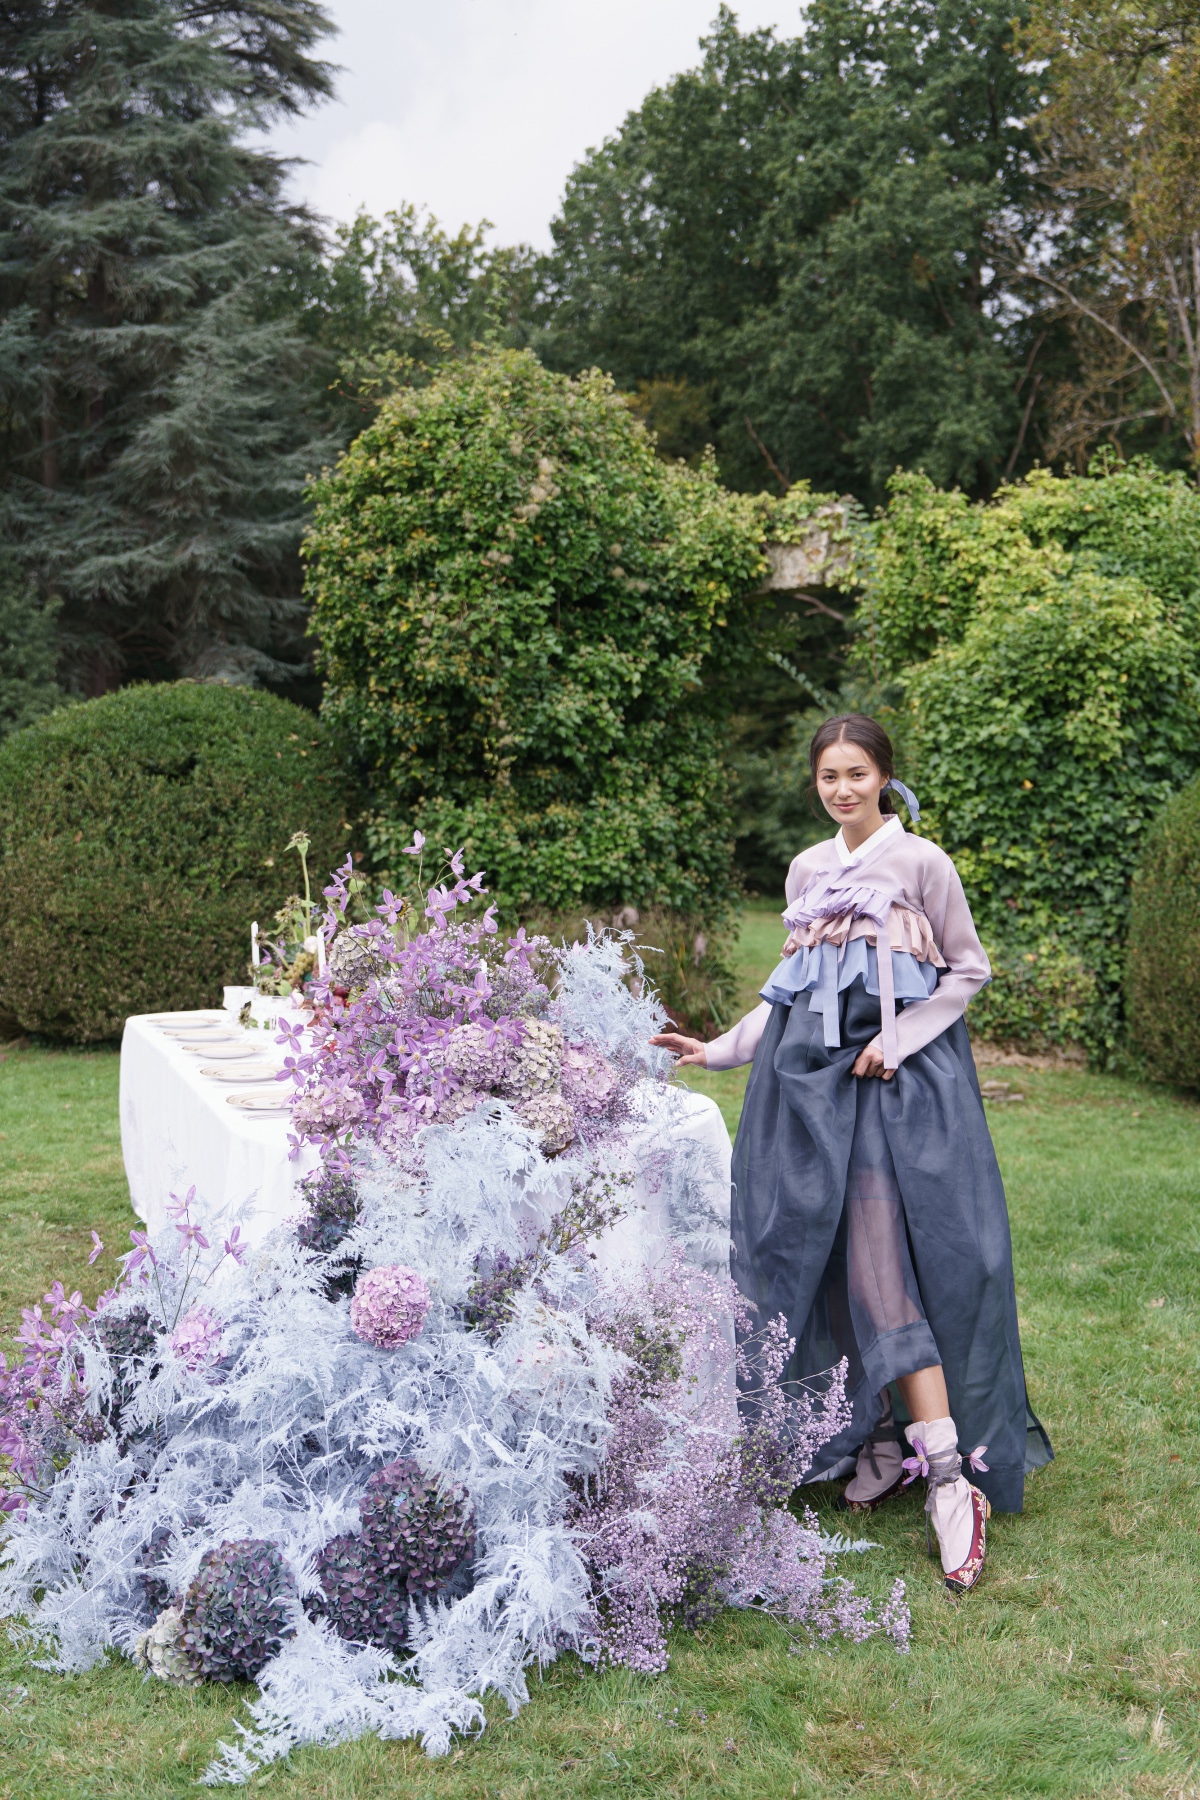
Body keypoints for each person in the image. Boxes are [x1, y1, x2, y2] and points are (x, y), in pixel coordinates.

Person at [651, 714, 1052, 1593]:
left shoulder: (922, 864)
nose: (842, 789)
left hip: (897, 1094)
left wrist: (901, 1038)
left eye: (857, 773)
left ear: (884, 778)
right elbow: (789, 996)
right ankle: (873, 1435)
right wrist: (715, 1049)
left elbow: (968, 971)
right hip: (806, 1093)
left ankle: (950, 1481)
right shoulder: (806, 870)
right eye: (829, 776)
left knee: (879, 1267)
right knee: (812, 1257)